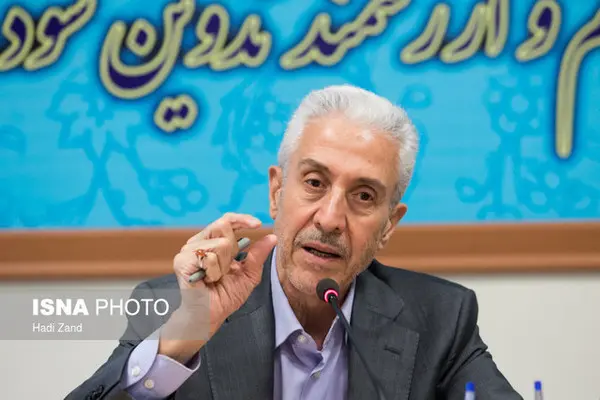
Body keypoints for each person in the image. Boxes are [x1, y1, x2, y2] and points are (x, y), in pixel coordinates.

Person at [67, 85, 523, 400]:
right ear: (276, 192)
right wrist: (182, 339)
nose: (330, 218)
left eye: (364, 196)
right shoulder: (172, 306)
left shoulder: (440, 318)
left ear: (389, 224)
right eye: (314, 183)